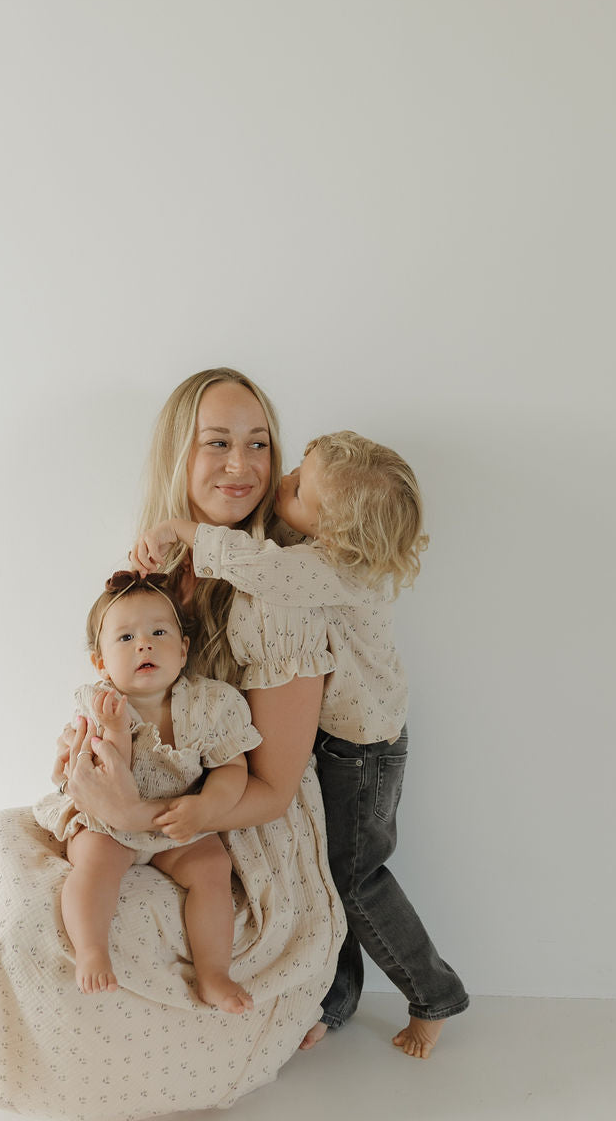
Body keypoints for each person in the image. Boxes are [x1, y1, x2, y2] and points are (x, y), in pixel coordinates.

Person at [0, 369, 346, 1121]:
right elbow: (123, 701)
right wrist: (87, 762)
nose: (241, 466)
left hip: (236, 825)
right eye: (218, 443)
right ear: (178, 456)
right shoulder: (156, 578)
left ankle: (130, 1053)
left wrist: (143, 816)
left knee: (83, 920)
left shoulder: (278, 602)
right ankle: (16, 1052)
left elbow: (269, 791)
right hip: (145, 798)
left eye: (259, 444)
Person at [134, 429, 469, 1061]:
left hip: (362, 754)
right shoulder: (326, 554)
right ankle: (338, 997)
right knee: (334, 874)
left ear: (337, 535)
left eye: (296, 489)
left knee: (352, 880)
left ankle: (433, 993)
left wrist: (183, 529)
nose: (280, 481)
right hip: (354, 741)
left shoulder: (326, 571)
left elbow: (264, 569)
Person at [33, 571, 261, 1013]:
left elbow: (232, 767)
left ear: (183, 648)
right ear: (101, 663)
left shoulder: (212, 704)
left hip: (177, 821)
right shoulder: (97, 705)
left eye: (159, 632)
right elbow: (104, 781)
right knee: (95, 863)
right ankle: (92, 949)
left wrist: (207, 806)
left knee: (213, 869)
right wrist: (116, 729)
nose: (144, 644)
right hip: (108, 822)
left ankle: (213, 972)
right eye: (125, 638)